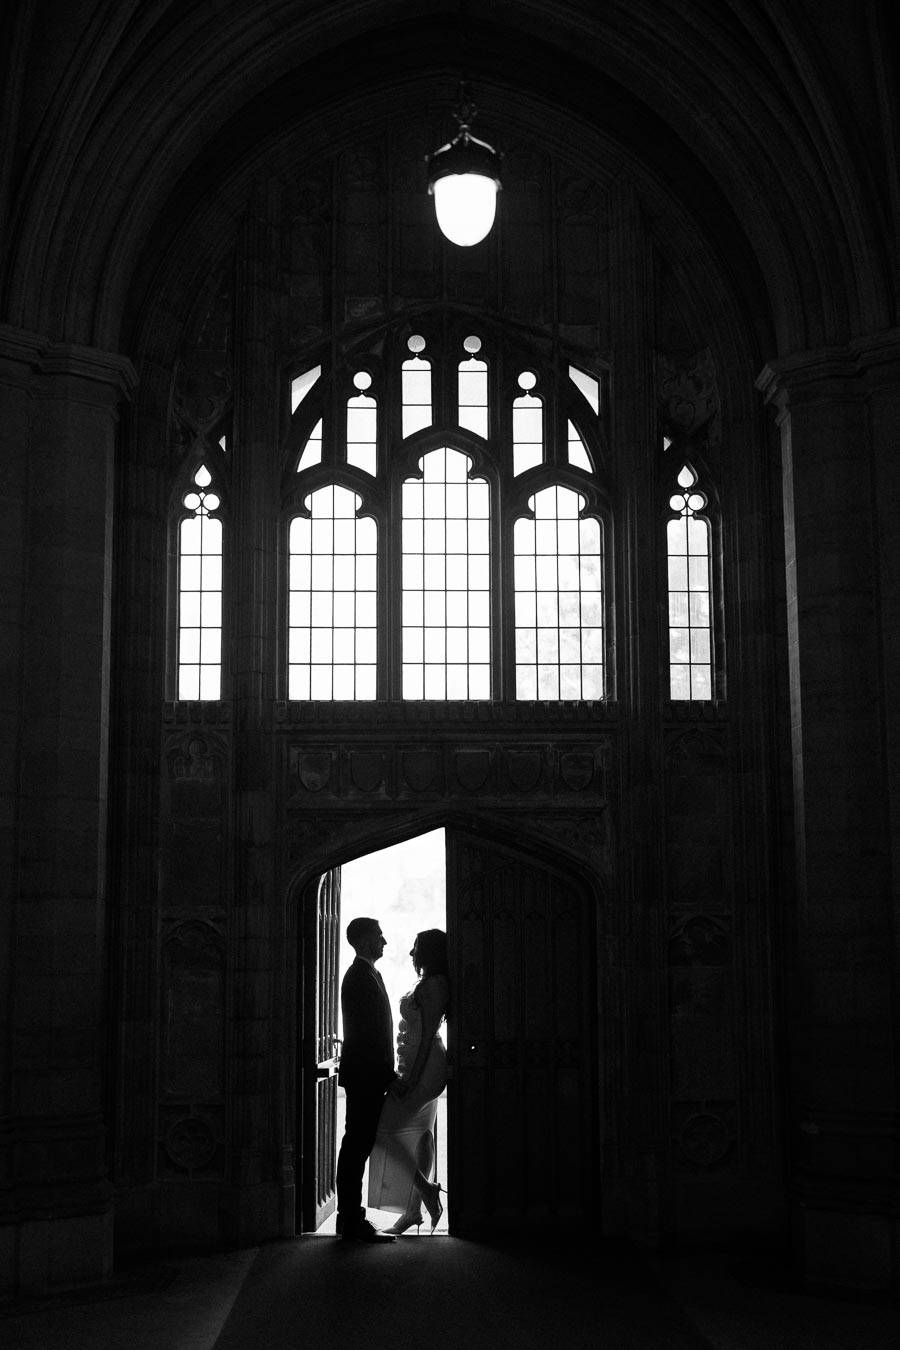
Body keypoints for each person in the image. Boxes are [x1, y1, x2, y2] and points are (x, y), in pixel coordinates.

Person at [367, 928, 449, 1234]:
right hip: (418, 1061)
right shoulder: (428, 982)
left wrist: (412, 1079)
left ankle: (426, 1190)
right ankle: (413, 1212)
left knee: (382, 1131)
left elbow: (427, 1037)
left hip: (425, 1065)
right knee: (422, 1135)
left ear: (429, 952)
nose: (412, 953)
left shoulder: (436, 984)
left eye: (417, 948)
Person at [335, 917, 397, 1243]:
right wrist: (388, 1074)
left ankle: (349, 1218)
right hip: (365, 1077)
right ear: (363, 941)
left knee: (358, 1144)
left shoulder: (370, 974)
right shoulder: (359, 977)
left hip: (368, 1075)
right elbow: (366, 1033)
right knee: (356, 1146)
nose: (384, 941)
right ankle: (351, 1220)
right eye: (379, 936)